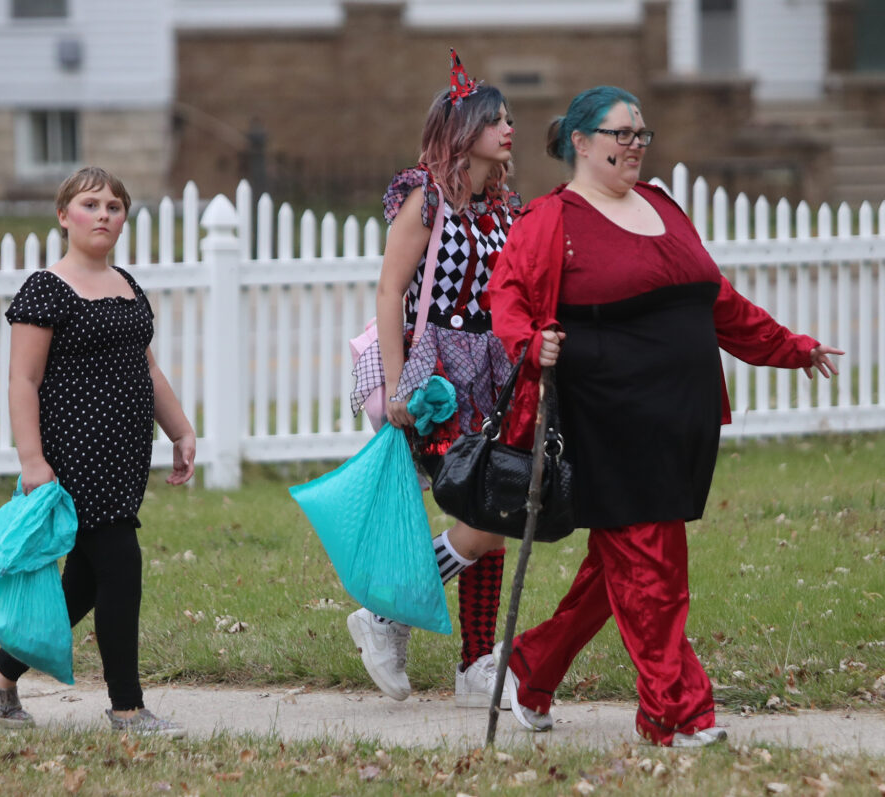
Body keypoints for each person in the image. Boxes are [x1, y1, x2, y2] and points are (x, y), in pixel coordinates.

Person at [488, 86, 844, 746]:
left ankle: (531, 666)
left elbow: (718, 302)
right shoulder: (550, 219)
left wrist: (793, 347)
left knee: (622, 565)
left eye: (642, 134)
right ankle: (677, 713)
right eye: (621, 134)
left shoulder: (663, 206)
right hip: (608, 417)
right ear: (581, 142)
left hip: (680, 421)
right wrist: (531, 344)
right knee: (652, 566)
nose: (635, 145)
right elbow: (506, 299)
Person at [0, 166, 197, 736]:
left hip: (123, 457)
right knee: (121, 564)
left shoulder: (126, 284)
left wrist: (180, 430)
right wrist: (32, 461)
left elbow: (147, 367)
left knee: (85, 584)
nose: (103, 215)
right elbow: (23, 380)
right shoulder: (45, 289)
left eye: (114, 207)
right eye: (90, 204)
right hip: (72, 456)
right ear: (64, 215)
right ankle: (127, 708)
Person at [348, 51, 518, 708]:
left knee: (492, 510)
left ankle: (474, 663)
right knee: (485, 512)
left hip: (493, 373)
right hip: (437, 375)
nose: (508, 129)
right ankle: (389, 614)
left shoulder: (503, 208)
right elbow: (390, 290)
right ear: (463, 129)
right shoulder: (426, 197)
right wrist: (399, 387)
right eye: (495, 120)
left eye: (508, 119)